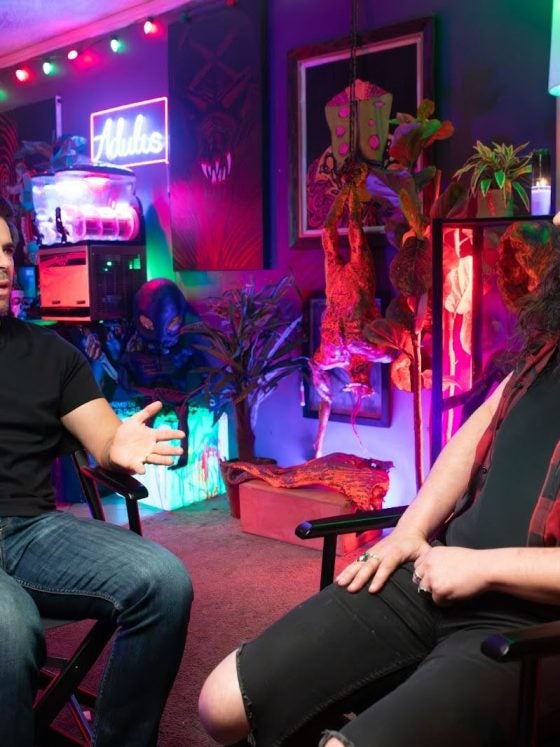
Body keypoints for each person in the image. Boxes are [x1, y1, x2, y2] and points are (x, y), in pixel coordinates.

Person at [198, 238, 560, 745]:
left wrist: (483, 568)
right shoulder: (547, 347)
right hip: (435, 572)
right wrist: (410, 531)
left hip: (531, 628)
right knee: (220, 704)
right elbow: (472, 437)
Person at [0, 208, 193, 747]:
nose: (2, 265)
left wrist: (117, 447)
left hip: (30, 530)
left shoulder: (51, 355)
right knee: (9, 628)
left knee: (165, 582)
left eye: (7, 251)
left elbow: (105, 437)